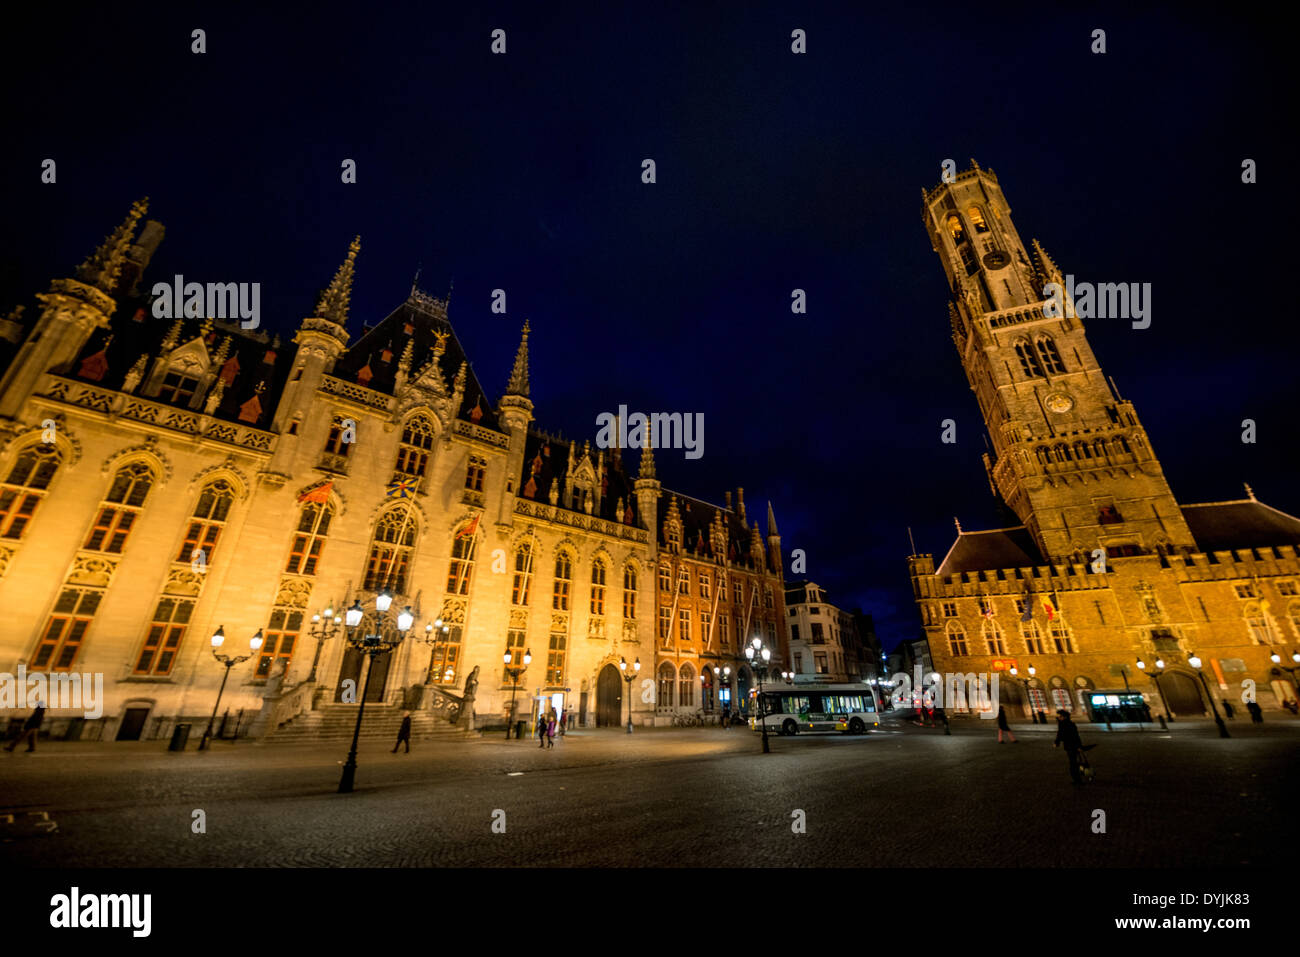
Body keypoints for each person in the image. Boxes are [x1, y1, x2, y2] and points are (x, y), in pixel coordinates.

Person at [1053, 709, 1088, 784]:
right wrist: (1057, 742)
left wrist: (1079, 746)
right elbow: (1060, 734)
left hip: (1073, 746)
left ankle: (1077, 779)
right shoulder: (1062, 724)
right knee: (1073, 762)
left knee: (1073, 763)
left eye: (1059, 716)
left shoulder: (1069, 724)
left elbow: (1075, 736)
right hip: (1069, 746)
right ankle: (1076, 778)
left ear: (1064, 717)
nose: (1058, 718)